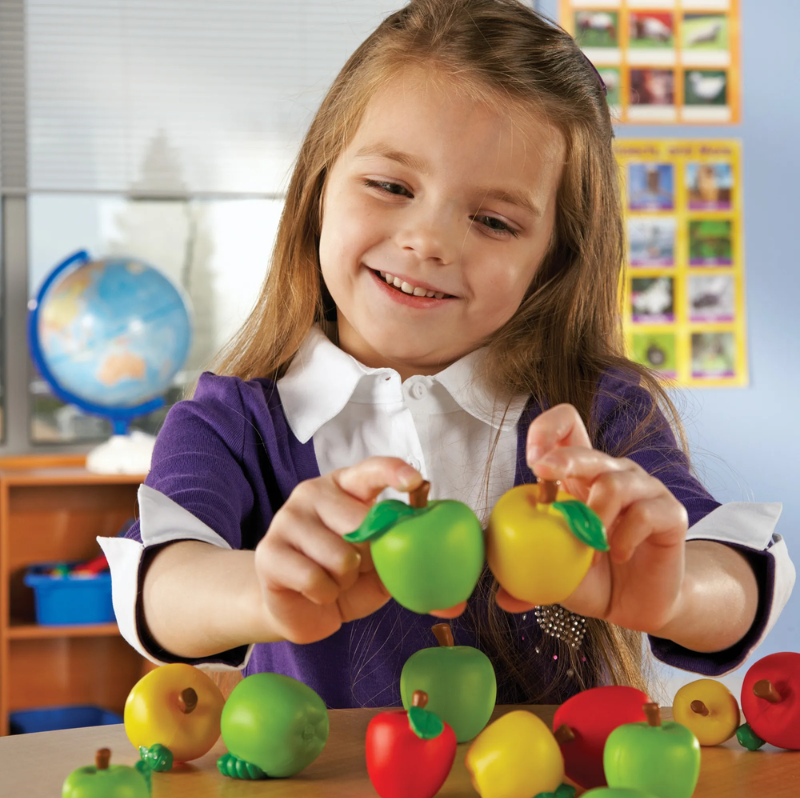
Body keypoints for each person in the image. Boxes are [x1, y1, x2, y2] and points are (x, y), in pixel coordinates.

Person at [100, 0, 793, 708]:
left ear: (551, 262)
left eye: (493, 221)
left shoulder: (595, 414)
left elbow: (742, 574)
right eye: (390, 186)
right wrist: (261, 587)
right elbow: (154, 586)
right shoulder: (233, 423)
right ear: (318, 187)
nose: (428, 241)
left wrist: (676, 591)